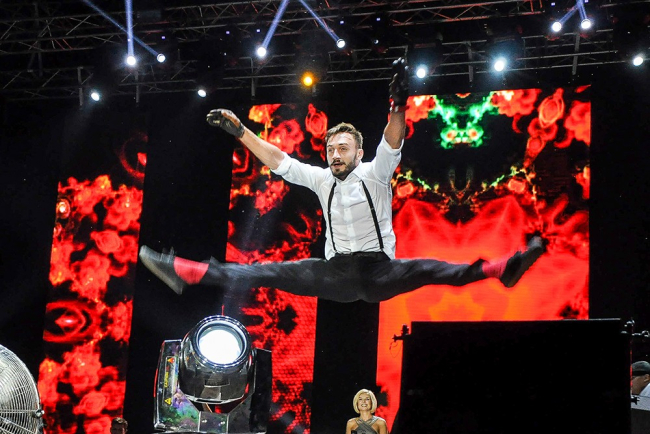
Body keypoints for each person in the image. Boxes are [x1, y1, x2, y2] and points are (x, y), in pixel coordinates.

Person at [138, 58, 545, 303]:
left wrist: (398, 104)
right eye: (332, 148)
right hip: (336, 274)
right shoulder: (321, 179)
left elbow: (392, 140)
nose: (336, 154)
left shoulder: (375, 173)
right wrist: (241, 131)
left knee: (432, 268)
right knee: (264, 272)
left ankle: (502, 269)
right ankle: (184, 272)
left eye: (343, 148)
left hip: (380, 272)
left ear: (358, 152)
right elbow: (279, 161)